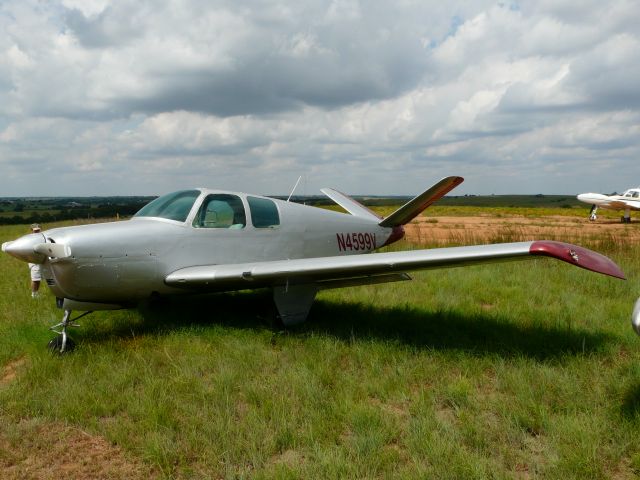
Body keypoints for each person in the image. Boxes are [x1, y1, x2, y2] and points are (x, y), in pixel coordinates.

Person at [28, 223, 42, 298]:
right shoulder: (29, 239)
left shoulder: (43, 237)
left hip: (43, 260)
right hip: (34, 261)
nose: (37, 232)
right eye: (35, 231)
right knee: (35, 278)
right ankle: (34, 294)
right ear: (31, 230)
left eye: (38, 230)